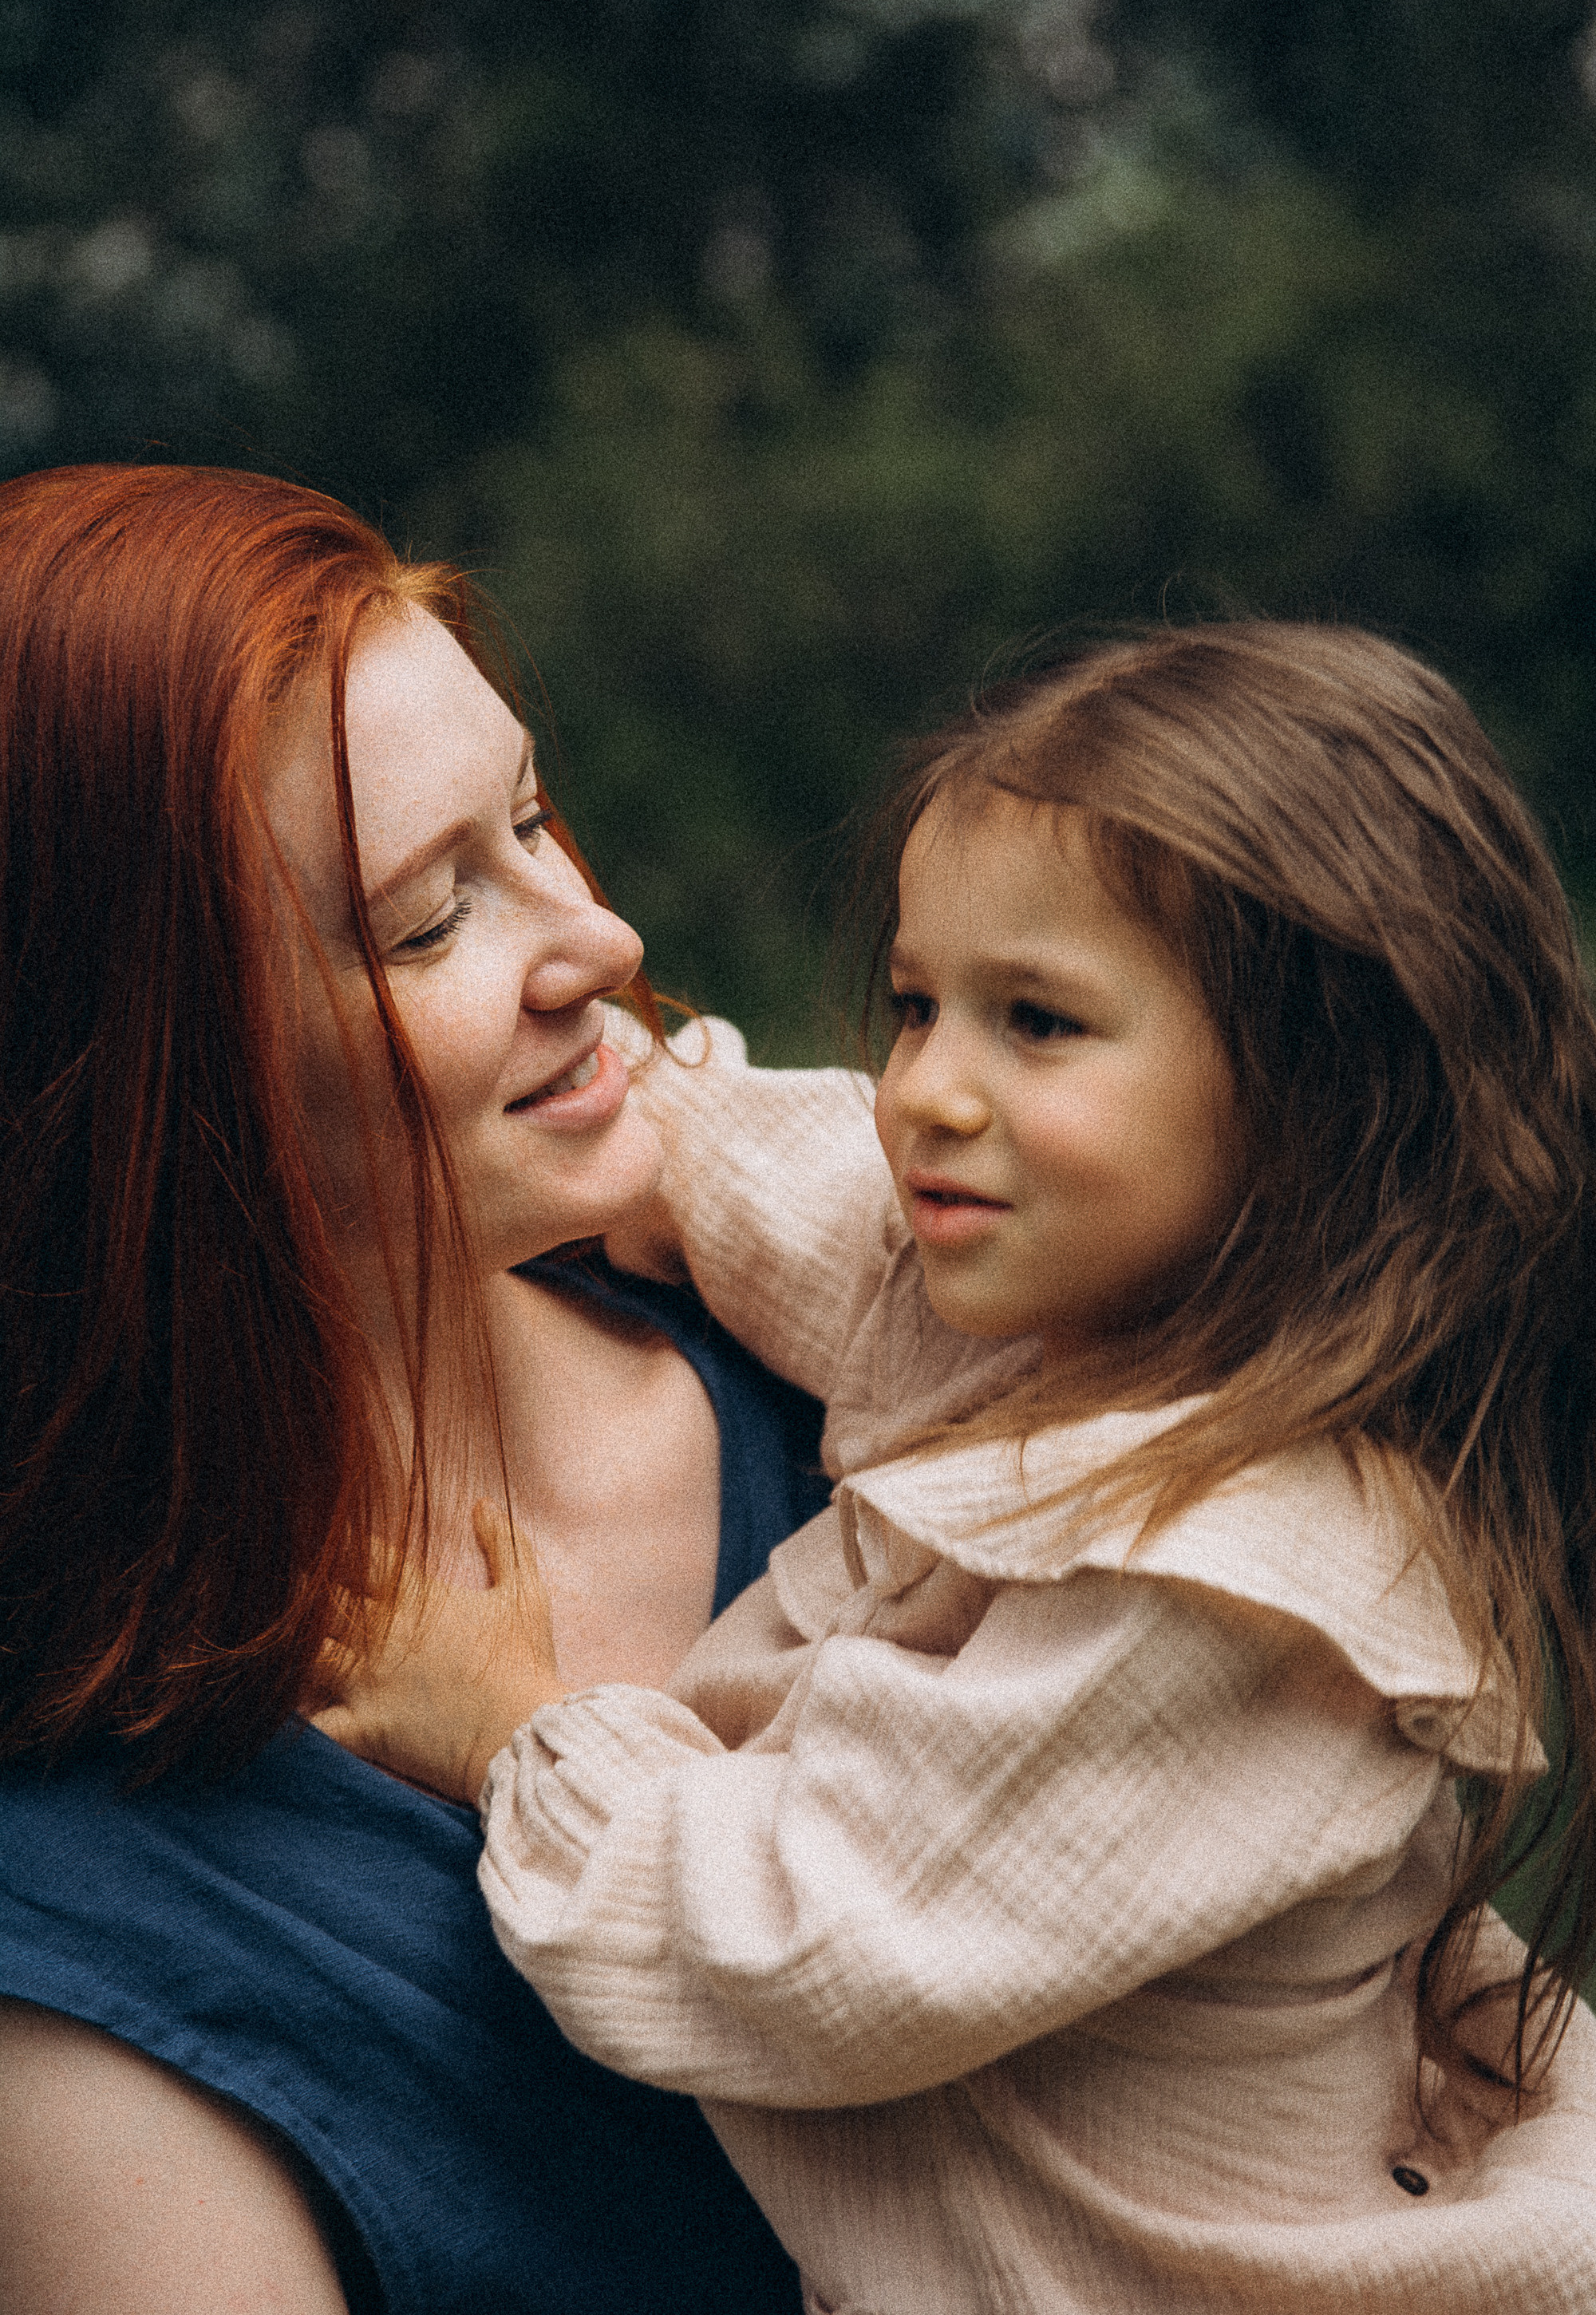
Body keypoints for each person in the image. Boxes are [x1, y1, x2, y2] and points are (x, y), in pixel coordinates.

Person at [318, 625, 1596, 2312]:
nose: (928, 1091)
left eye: (1039, 1022)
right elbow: (791, 1191)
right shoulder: (1069, 1306)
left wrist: (516, 1730)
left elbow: (807, 1951)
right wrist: (584, 1119)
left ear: (1316, 1098)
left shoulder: (1238, 1593)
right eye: (921, 1003)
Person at [0, 463, 824, 2314]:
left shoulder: (882, 1394)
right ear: (155, 1077)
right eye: (428, 920)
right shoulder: (81, 1953)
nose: (598, 945)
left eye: (534, 821)